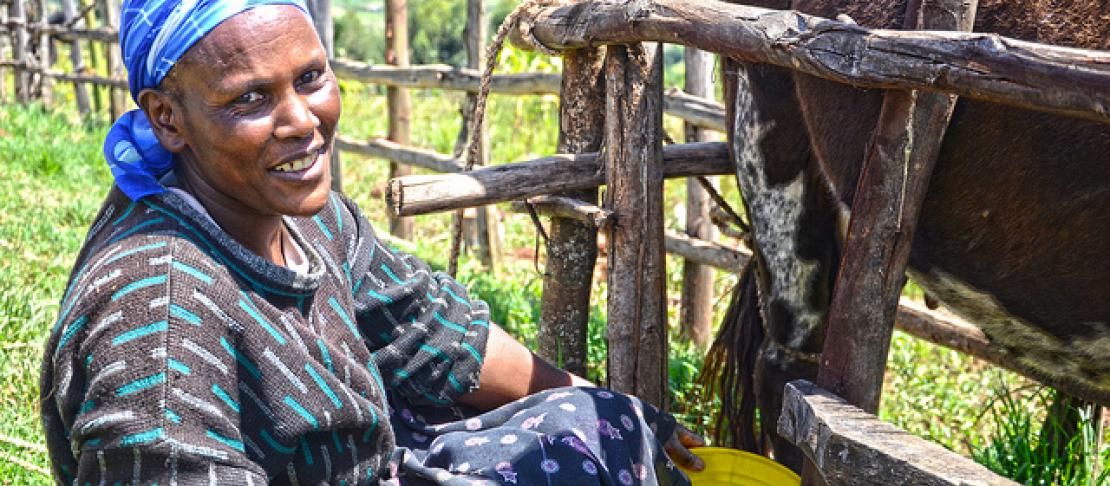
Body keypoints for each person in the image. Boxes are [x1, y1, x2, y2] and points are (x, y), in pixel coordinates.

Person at [40, 1, 704, 484]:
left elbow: (431, 331)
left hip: (369, 462)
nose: (301, 121)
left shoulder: (304, 217)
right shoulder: (157, 318)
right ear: (168, 119)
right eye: (250, 99)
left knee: (590, 428)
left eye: (309, 79)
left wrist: (623, 413)